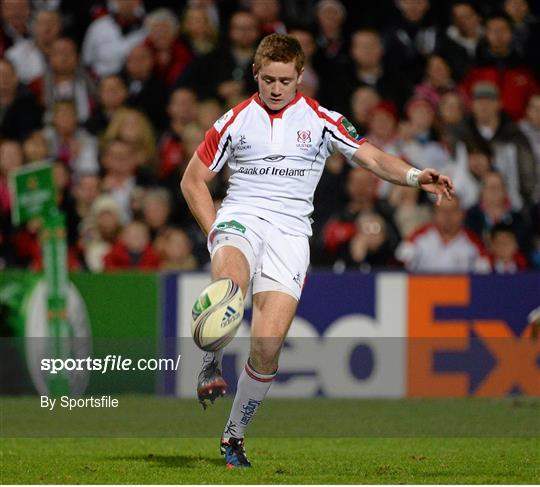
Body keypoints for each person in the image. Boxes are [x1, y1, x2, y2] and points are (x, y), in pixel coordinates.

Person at [180, 33, 454, 469]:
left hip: (290, 236)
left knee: (267, 347)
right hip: (241, 218)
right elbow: (192, 180)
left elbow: (372, 158)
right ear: (256, 74)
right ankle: (210, 360)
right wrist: (216, 232)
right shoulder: (233, 121)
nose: (274, 88)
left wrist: (416, 176)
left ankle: (233, 436)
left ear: (300, 77)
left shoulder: (323, 120)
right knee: (230, 285)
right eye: (267, 79)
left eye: (284, 80)